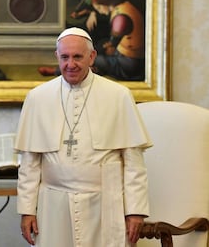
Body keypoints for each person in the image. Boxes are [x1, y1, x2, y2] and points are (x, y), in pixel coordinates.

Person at [15, 27, 152, 246]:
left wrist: (135, 211)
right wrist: (27, 210)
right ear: (57, 57)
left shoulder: (118, 96)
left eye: (78, 56)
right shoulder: (38, 97)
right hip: (53, 206)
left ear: (92, 56)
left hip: (106, 205)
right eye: (65, 57)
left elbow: (134, 162)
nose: (71, 64)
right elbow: (30, 163)